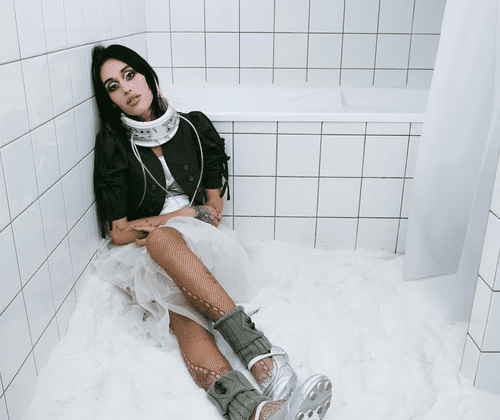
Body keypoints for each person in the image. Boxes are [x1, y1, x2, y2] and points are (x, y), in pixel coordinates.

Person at [90, 44, 332, 420]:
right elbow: (120, 232)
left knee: (165, 243)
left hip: (200, 241)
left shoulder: (195, 126)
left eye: (129, 75)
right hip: (145, 254)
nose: (126, 88)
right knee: (182, 315)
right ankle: (255, 409)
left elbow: (214, 210)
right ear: (110, 100)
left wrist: (185, 218)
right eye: (112, 86)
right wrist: (178, 216)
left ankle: (263, 364)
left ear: (148, 76)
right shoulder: (114, 145)